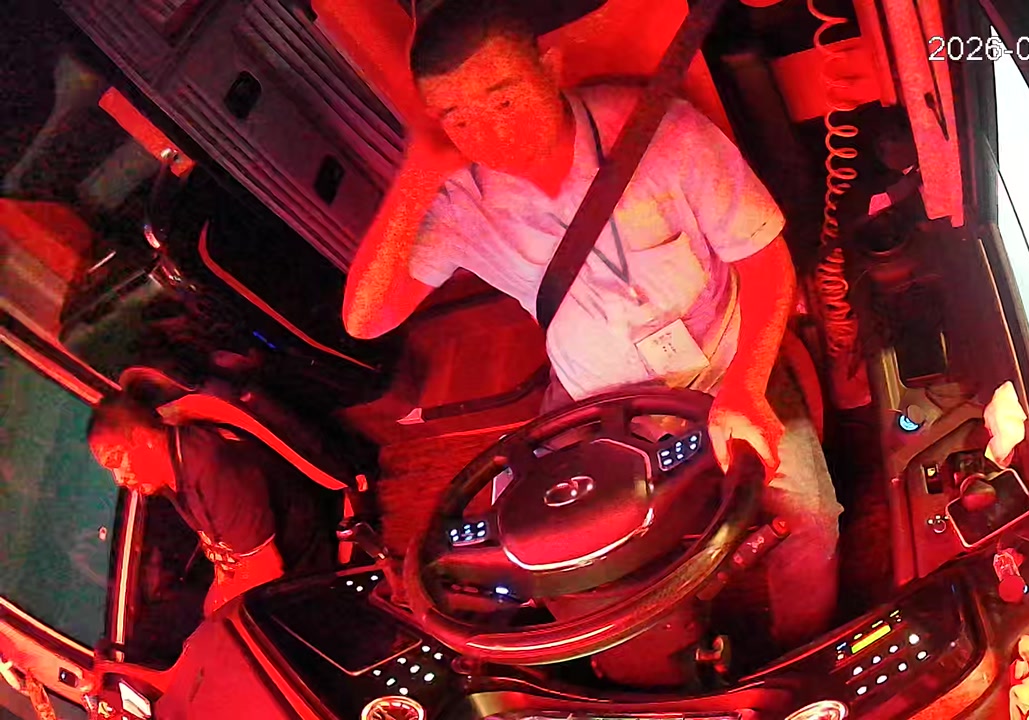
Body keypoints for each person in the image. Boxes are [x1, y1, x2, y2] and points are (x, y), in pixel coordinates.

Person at [343, 0, 842, 648]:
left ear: (550, 68)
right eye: (458, 119)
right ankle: (662, 669)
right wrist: (419, 170)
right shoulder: (463, 203)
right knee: (534, 556)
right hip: (593, 397)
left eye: (503, 100)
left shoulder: (659, 133)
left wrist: (747, 385)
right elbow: (365, 320)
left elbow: (765, 258)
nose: (492, 136)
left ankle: (799, 652)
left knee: (812, 522)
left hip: (724, 365)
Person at [86, 393, 335, 616]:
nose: (119, 479)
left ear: (143, 438)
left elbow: (265, 571)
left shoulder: (209, 466)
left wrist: (217, 619)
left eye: (116, 459)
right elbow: (225, 558)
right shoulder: (170, 474)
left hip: (307, 581)